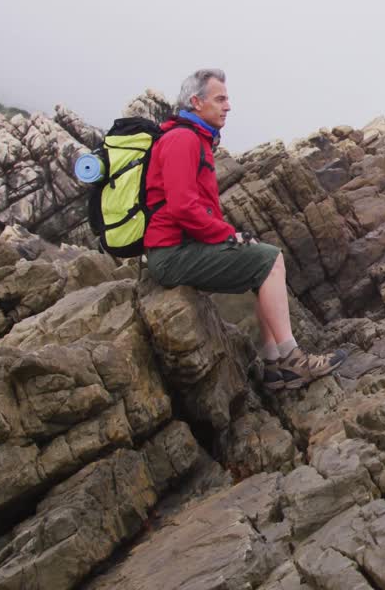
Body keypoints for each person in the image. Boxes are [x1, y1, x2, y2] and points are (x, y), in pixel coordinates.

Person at [143, 68, 344, 390]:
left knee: (260, 259)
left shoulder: (194, 139)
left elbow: (196, 207)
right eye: (220, 98)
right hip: (171, 254)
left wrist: (227, 233)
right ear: (196, 101)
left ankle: (273, 366)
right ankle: (292, 359)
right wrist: (223, 234)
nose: (228, 106)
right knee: (267, 260)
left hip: (179, 247)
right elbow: (182, 206)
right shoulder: (182, 139)